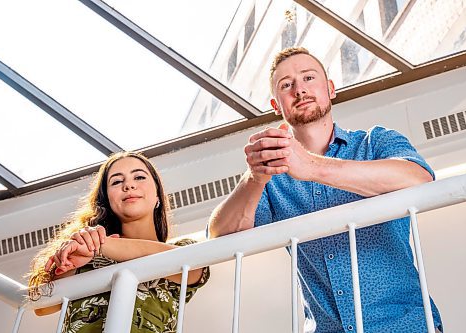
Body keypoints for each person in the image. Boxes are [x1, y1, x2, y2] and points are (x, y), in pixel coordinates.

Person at [208, 47, 443, 333]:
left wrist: (312, 167)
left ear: (330, 89)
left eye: (308, 77)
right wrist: (255, 177)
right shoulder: (272, 180)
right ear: (275, 105)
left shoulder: (375, 142)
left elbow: (419, 178)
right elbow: (219, 235)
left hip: (406, 325)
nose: (299, 89)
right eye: (286, 85)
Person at [28, 151, 209, 333]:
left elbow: (194, 271)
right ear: (107, 201)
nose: (129, 185)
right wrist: (69, 261)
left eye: (138, 177)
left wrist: (101, 245)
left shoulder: (183, 249)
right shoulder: (86, 253)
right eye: (116, 181)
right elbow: (42, 306)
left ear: (158, 197)